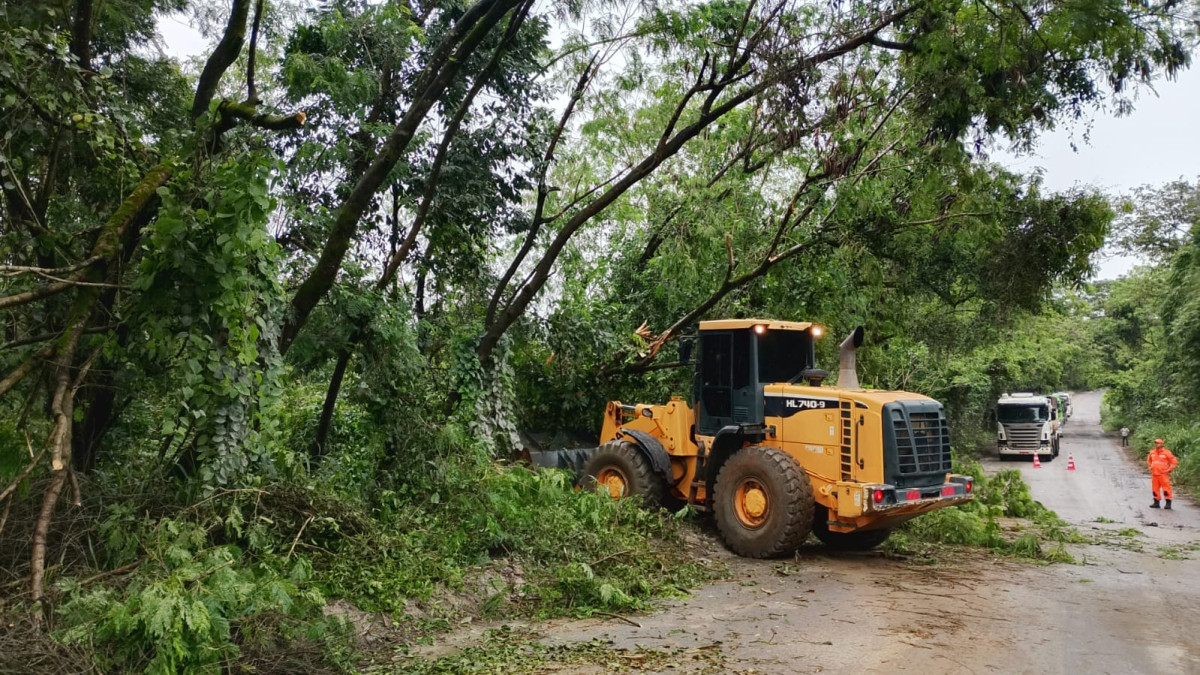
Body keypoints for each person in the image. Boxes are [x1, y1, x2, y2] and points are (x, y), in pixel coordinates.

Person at [1148, 439, 1179, 509]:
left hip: (1163, 474)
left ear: (1162, 444)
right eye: (1156, 443)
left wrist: (1169, 470)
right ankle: (1156, 503)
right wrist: (1150, 467)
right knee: (1155, 489)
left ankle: (1168, 503)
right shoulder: (1152, 452)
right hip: (1154, 474)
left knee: (1166, 489)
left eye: (1158, 443)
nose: (1156, 444)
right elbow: (1149, 460)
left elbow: (1174, 462)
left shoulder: (1167, 452)